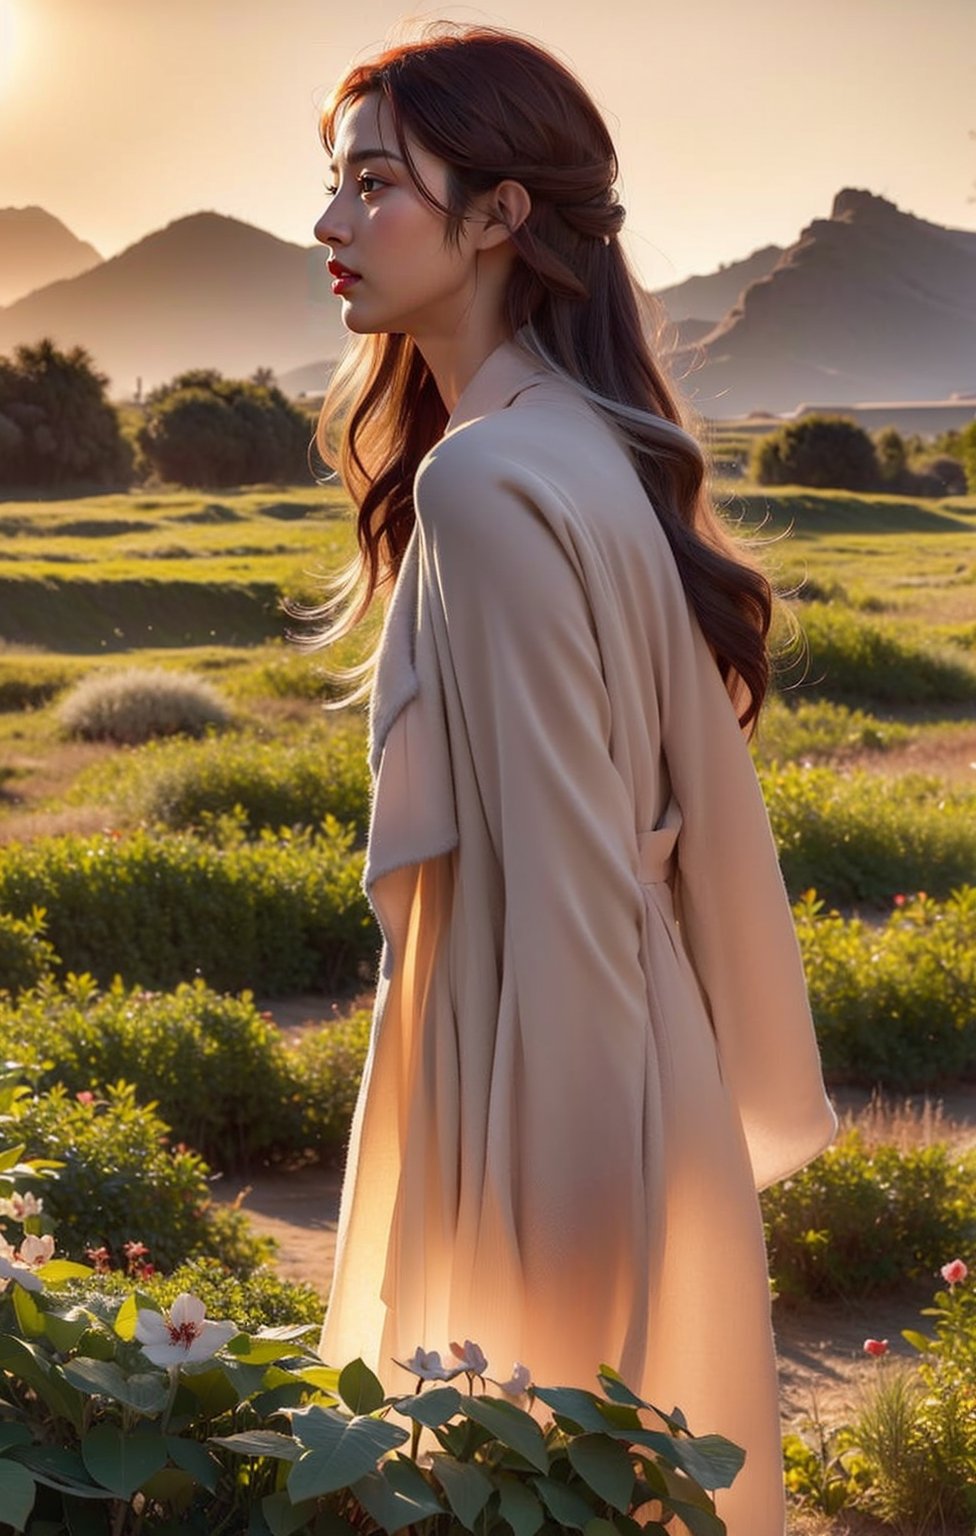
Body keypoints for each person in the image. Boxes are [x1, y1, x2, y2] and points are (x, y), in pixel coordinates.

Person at [308, 26, 836, 1534]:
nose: (332, 226)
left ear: (498, 217)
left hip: (548, 1092)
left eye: (373, 187)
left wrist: (559, 1291)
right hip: (598, 1071)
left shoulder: (485, 478)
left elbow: (575, 890)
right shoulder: (569, 437)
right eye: (332, 189)